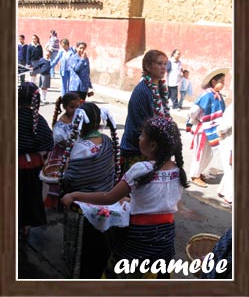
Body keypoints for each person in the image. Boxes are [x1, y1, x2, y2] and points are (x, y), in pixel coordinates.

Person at [62, 115, 189, 279]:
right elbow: (163, 201)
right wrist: (134, 201)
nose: (139, 137)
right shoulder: (178, 171)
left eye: (142, 135)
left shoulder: (140, 169)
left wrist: (75, 195)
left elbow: (109, 198)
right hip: (165, 237)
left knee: (120, 274)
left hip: (139, 237)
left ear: (152, 145)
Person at [61, 102, 120, 278]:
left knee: (83, 250)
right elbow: (110, 171)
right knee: (100, 246)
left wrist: (64, 179)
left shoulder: (78, 147)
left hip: (83, 208)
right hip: (105, 202)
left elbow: (71, 179)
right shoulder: (108, 141)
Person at [120, 49, 170, 175]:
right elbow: (140, 126)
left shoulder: (159, 87)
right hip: (137, 149)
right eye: (159, 64)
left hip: (150, 148)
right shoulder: (142, 90)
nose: (163, 67)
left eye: (165, 64)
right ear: (148, 66)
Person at [18, 82, 54, 237]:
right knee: (30, 197)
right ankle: (25, 226)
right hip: (33, 165)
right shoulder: (37, 119)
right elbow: (48, 141)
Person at [186, 67, 229, 188]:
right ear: (214, 82)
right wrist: (195, 122)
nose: (224, 84)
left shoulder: (218, 96)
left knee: (209, 154)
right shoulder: (206, 95)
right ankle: (195, 175)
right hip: (203, 130)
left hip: (213, 130)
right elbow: (194, 111)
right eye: (222, 82)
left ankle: (199, 172)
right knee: (200, 153)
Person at [40, 92, 81, 208]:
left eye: (77, 107)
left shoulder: (78, 119)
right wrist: (74, 144)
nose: (75, 110)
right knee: (60, 177)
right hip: (62, 154)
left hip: (74, 152)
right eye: (71, 107)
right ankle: (58, 202)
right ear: (64, 107)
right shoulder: (61, 123)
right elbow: (60, 140)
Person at [217, 103, 233, 207]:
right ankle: (225, 192)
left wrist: (220, 131)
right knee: (230, 169)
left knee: (230, 170)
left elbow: (225, 125)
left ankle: (228, 196)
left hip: (230, 142)